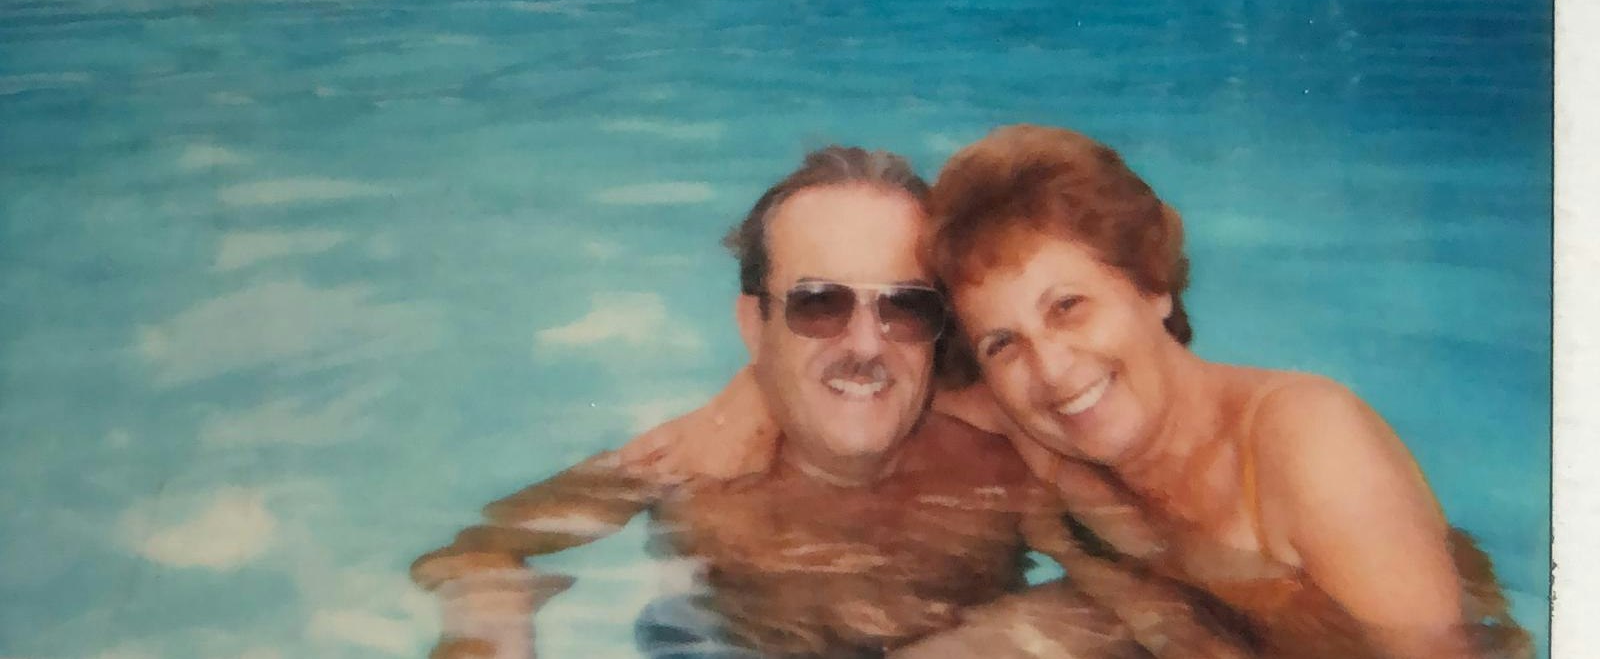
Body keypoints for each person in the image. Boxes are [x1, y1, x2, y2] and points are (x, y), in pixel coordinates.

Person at [632, 127, 1532, 659]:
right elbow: (862, 362)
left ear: (1152, 283)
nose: (1054, 371)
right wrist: (747, 395)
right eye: (1005, 341)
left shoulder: (1306, 441)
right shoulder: (1033, 418)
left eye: (1070, 306)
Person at [412, 146, 1243, 659]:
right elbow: (476, 554)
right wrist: (487, 623)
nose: (865, 341)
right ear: (755, 323)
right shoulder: (692, 463)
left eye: (905, 306)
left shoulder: (1008, 460)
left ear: (940, 327)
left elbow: (1179, 598)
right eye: (819, 303)